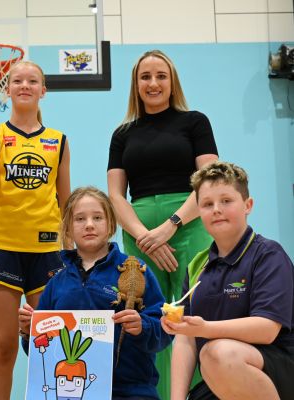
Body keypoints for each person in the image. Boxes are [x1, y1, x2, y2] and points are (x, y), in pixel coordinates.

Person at [107, 49, 218, 399]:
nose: (153, 83)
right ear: (135, 85)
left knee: (191, 315)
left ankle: (200, 393)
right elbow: (115, 195)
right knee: (151, 318)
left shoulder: (195, 122)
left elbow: (208, 182)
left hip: (189, 226)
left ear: (172, 83)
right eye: (145, 77)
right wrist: (144, 237)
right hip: (139, 235)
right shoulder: (122, 133)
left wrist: (171, 225)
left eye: (160, 76)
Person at [0, 60, 71, 400]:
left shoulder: (59, 141)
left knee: (48, 343)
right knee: (5, 346)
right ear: (6, 89)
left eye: (32, 80)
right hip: (4, 248)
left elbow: (66, 204)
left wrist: (74, 254)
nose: (24, 85)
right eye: (17, 80)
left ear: (43, 90)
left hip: (48, 251)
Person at [19, 186, 171, 400]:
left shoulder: (136, 269)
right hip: (71, 392)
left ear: (111, 224)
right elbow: (41, 352)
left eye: (97, 217)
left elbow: (164, 331)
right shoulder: (56, 282)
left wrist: (142, 327)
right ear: (68, 229)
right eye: (80, 219)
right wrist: (29, 332)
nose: (89, 225)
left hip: (129, 392)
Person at [161, 161, 294, 400]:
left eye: (226, 201)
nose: (216, 210)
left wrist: (205, 329)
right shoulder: (196, 266)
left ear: (247, 205)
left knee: (216, 353)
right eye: (207, 204)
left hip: (277, 369)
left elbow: (267, 330)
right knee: (213, 357)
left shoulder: (268, 255)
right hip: (218, 378)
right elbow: (185, 339)